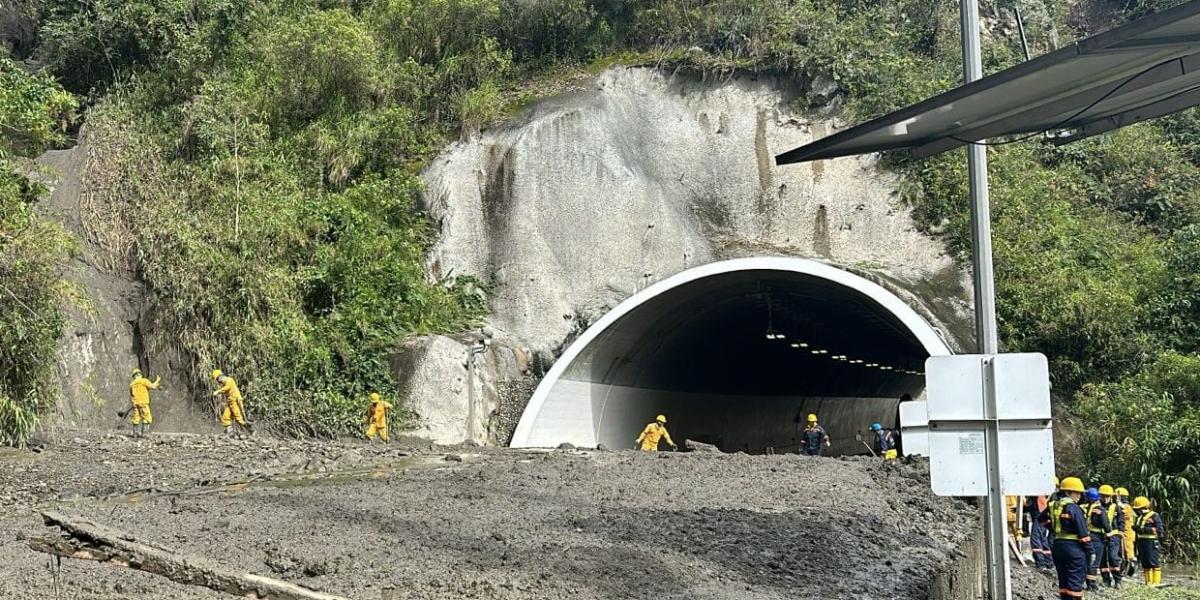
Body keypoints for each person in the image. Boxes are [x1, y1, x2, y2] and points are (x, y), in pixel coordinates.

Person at [1040, 477, 1092, 600]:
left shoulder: (1052, 506)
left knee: (1063, 581)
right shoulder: (1073, 508)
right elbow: (1082, 532)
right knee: (1075, 580)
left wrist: (1052, 528)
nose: (1079, 496)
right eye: (1076, 492)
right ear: (1067, 492)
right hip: (1074, 548)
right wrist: (1090, 550)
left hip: (1057, 545)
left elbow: (1041, 520)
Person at [1081, 487, 1111, 591]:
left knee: (1088, 560)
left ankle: (1086, 582)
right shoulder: (1100, 509)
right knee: (1095, 562)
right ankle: (1092, 585)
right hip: (1097, 538)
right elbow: (1106, 526)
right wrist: (1109, 533)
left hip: (1086, 536)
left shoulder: (1084, 507)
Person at [1132, 496, 1165, 586]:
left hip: (1151, 542)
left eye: (1138, 509)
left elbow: (1159, 530)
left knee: (1153, 561)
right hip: (1142, 541)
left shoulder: (1154, 516)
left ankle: (1156, 582)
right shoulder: (1139, 517)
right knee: (1145, 562)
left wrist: (1146, 530)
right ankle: (1148, 582)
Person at [1098, 485, 1124, 588]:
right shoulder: (1096, 507)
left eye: (1107, 496)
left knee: (1113, 558)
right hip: (1101, 536)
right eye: (1103, 496)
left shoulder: (1116, 508)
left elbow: (1121, 524)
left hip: (1114, 536)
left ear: (1111, 496)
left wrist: (1115, 533)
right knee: (1102, 559)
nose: (1105, 498)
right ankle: (1106, 580)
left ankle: (1118, 580)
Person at [211, 369, 250, 436]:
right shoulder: (223, 383)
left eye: (217, 379)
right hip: (230, 403)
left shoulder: (229, 380)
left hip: (235, 401)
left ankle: (251, 431)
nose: (217, 381)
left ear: (220, 376)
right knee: (225, 417)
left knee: (239, 418)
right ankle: (230, 432)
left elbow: (228, 387)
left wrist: (218, 391)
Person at [128, 367, 160, 437]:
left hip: (135, 404)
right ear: (139, 374)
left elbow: (131, 394)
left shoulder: (132, 384)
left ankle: (135, 434)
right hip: (143, 403)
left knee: (136, 418)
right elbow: (153, 386)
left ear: (134, 376)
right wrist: (157, 381)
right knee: (147, 417)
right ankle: (144, 433)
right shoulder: (144, 381)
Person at [1027, 494, 1054, 571]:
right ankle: (1049, 563)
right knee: (1043, 539)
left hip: (1039, 514)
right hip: (1041, 514)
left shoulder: (1038, 494)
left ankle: (1041, 563)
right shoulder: (1039, 495)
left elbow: (1034, 506)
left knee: (1036, 538)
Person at [1115, 486, 1136, 572]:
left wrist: (1119, 506)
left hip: (1127, 533)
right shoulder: (1126, 506)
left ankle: (1128, 570)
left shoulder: (1125, 507)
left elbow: (1125, 514)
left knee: (1127, 553)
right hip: (1129, 532)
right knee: (1127, 551)